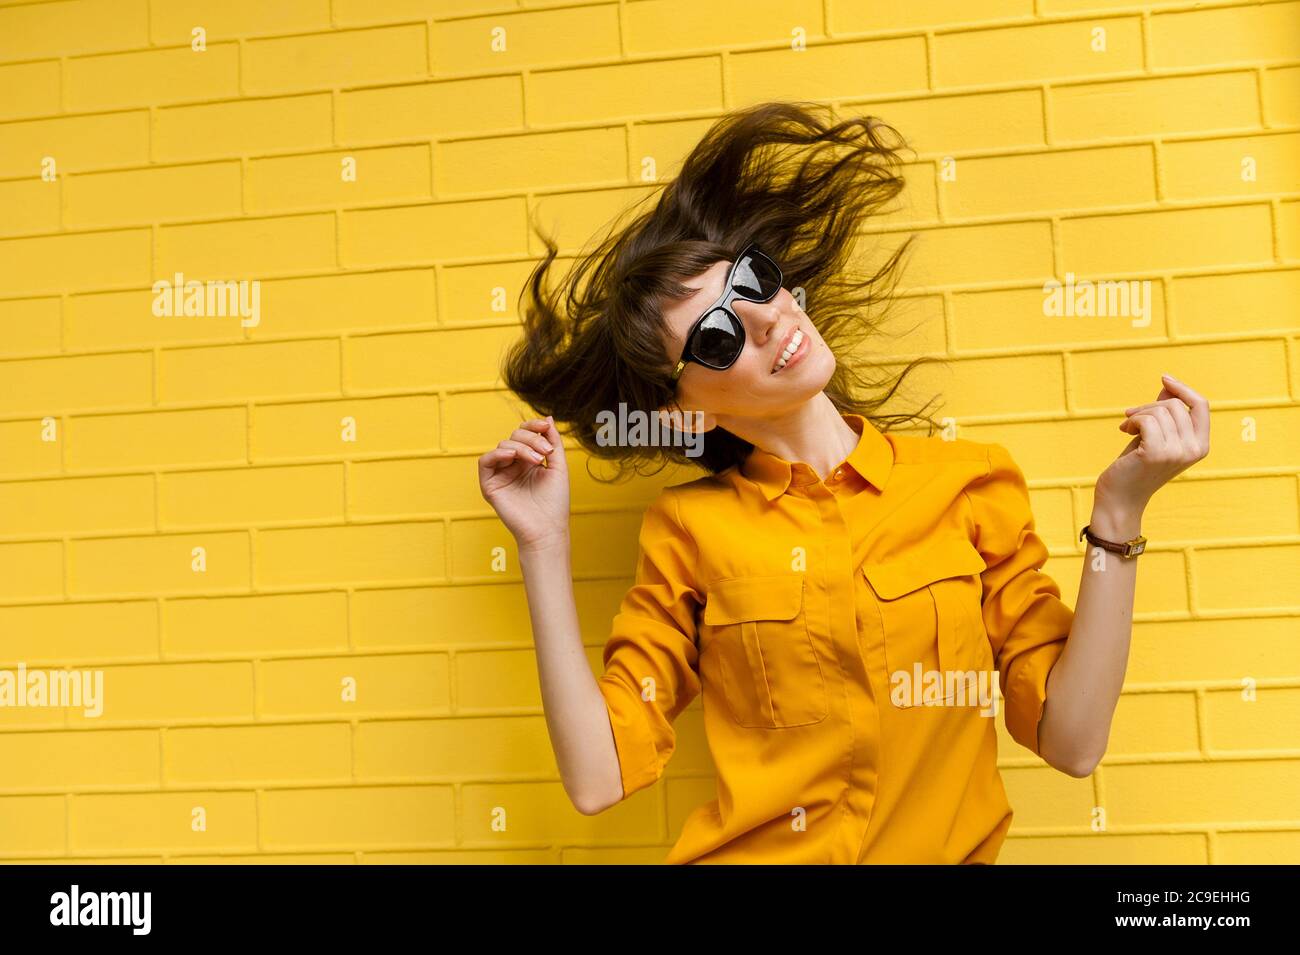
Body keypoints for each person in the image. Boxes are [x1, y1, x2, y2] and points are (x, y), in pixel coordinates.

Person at [477, 101, 1210, 864]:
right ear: (686, 413)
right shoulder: (688, 532)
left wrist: (1119, 513)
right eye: (717, 336)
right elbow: (598, 778)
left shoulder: (968, 483)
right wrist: (541, 543)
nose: (764, 319)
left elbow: (1074, 737)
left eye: (753, 281)